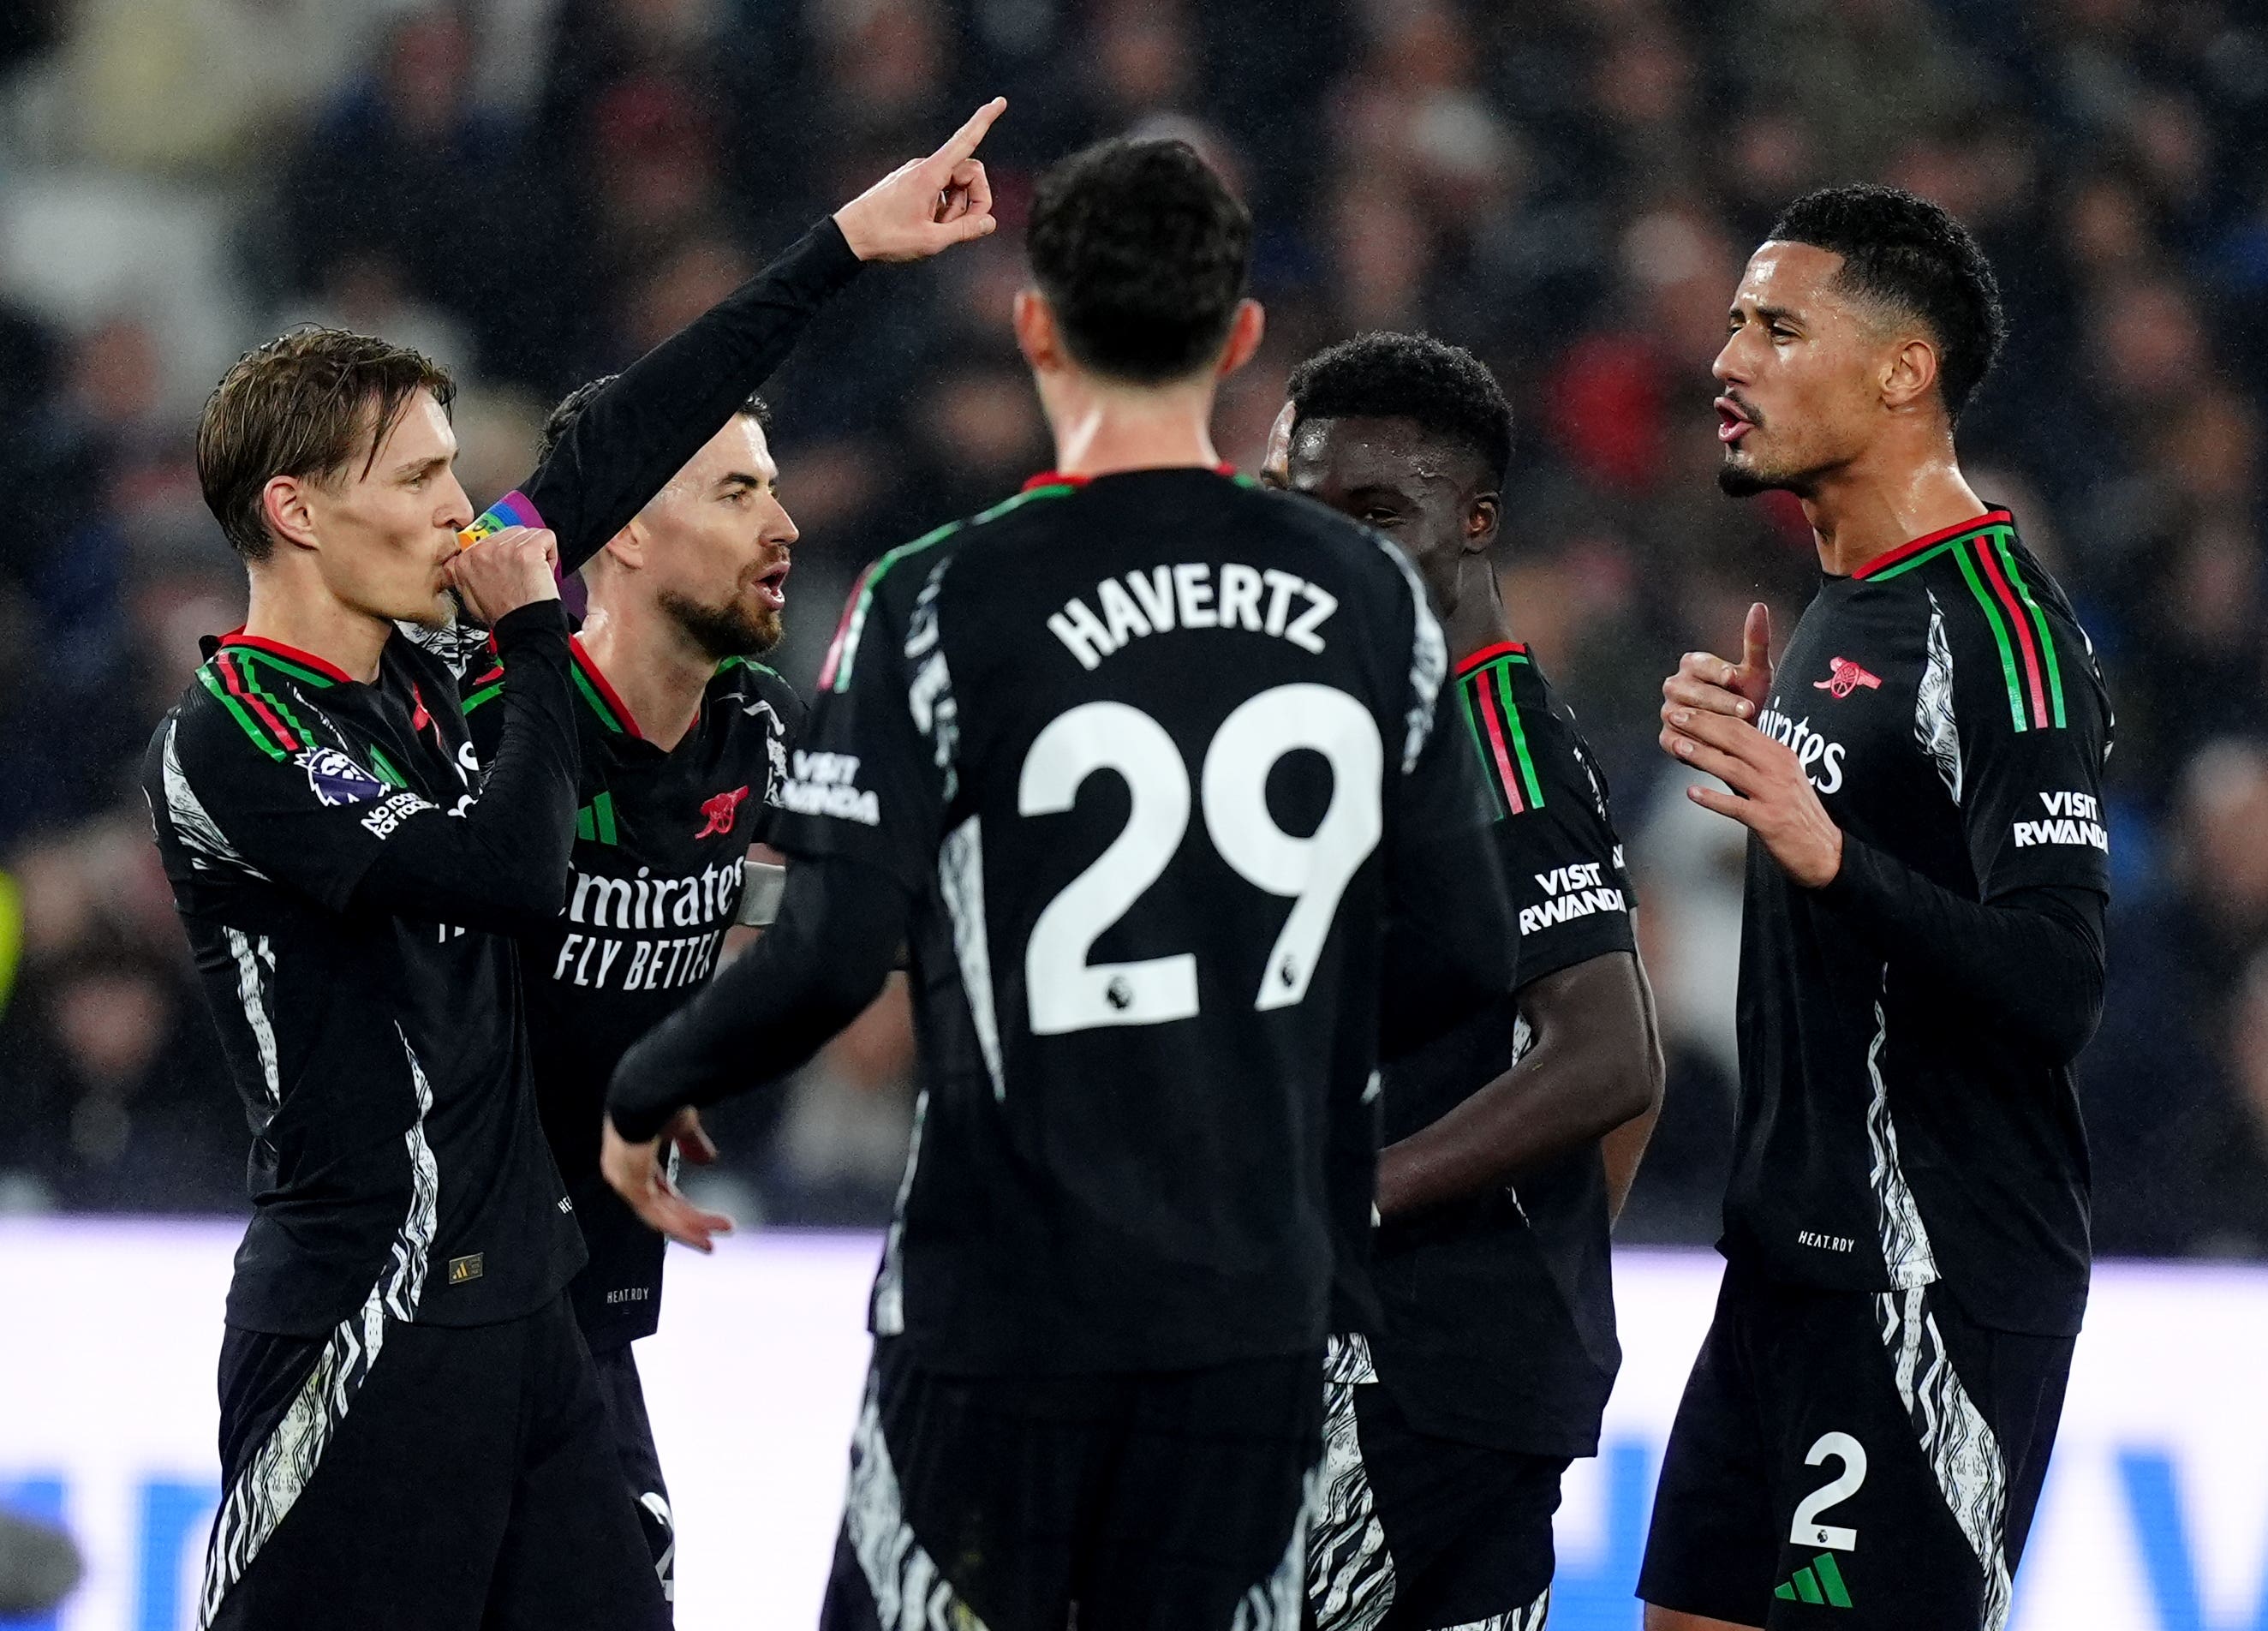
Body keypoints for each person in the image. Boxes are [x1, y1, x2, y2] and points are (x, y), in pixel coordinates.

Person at [600, 137, 1516, 1631]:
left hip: (1002, 1298)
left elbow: (831, 948)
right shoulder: (1369, 605)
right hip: (1255, 1308)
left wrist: (648, 1087)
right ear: (1237, 340)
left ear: (1036, 326)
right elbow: (1468, 955)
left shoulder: (938, 594)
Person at [143, 105, 1005, 1631]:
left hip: (532, 1311)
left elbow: (619, 441)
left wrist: (842, 251)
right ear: (294, 512)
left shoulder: (423, 666)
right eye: (413, 482)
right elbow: (506, 872)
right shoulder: (238, 735)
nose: (456, 513)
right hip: (365, 1318)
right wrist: (538, 632)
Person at [1644, 184, 2112, 1631]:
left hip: (1933, 1286)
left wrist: (1829, 849)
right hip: (1789, 1261)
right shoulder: (1843, 602)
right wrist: (1771, 754)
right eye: (1732, 324)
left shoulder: (2001, 629)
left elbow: (2061, 977)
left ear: (1907, 371)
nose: (1730, 361)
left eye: (1779, 329)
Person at [1265, 332, 1665, 1631]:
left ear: (1477, 519)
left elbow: (1612, 1057)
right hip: (1476, 1370)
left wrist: (1354, 1197)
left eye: (1378, 512)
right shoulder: (1392, 719)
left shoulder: (1483, 736)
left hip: (1408, 1373)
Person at [463, 383, 803, 1608]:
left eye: (772, 485)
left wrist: (682, 1054)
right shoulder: (492, 723)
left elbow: (772, 901)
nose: (786, 523)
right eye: (737, 490)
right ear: (621, 534)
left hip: (594, 1298)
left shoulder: (756, 736)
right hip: (449, 1298)